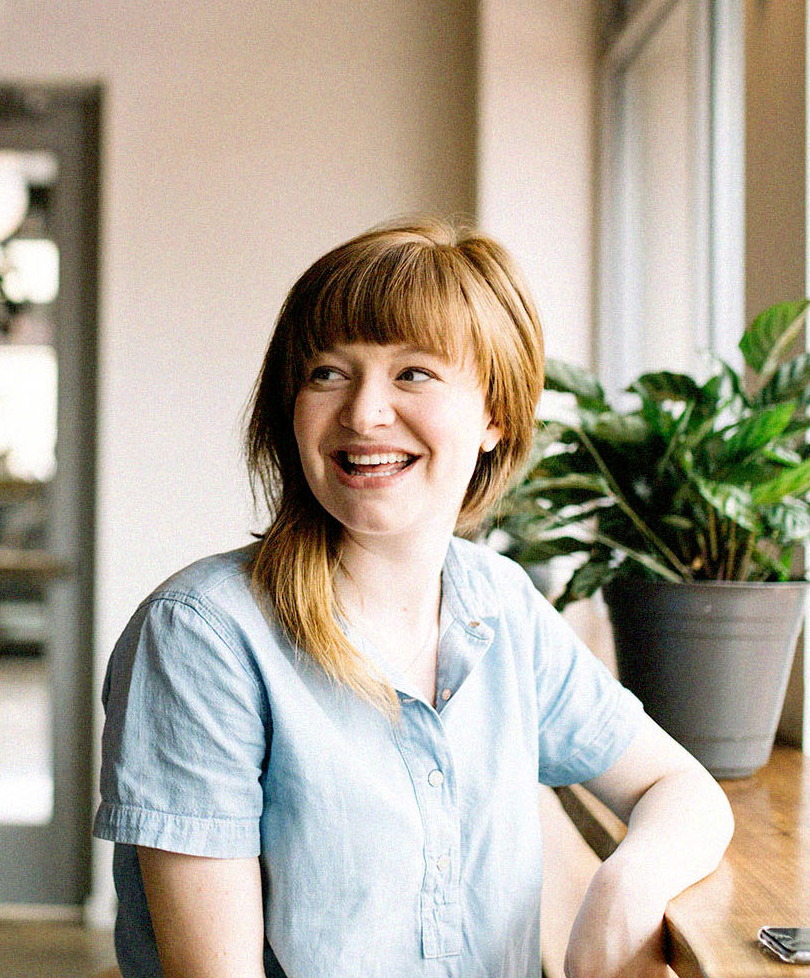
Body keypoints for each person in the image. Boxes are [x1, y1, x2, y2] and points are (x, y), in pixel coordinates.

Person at [94, 217, 734, 978]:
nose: (363, 413)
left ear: (495, 413)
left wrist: (627, 885)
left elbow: (680, 787)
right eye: (327, 373)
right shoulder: (202, 635)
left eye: (413, 374)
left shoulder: (500, 603)